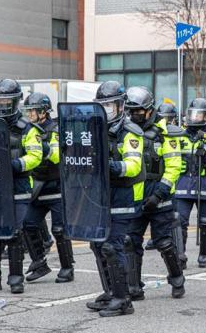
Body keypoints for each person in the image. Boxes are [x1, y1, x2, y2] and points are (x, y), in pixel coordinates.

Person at [0, 79, 43, 294]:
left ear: (16, 102)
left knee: (14, 232)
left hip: (19, 186)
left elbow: (35, 156)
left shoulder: (28, 129)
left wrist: (14, 165)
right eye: (0, 100)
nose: (3, 103)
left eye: (7, 100)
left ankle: (16, 278)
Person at [87, 81, 145, 317]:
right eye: (102, 106)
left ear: (120, 107)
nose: (106, 110)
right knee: (98, 244)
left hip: (122, 196)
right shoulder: (94, 128)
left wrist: (110, 166)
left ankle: (123, 300)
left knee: (113, 246)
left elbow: (133, 166)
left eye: (109, 106)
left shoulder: (130, 132)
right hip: (99, 196)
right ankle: (111, 291)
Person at [125, 86, 185, 301]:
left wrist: (159, 194)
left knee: (164, 242)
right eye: (130, 111)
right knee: (130, 241)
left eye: (138, 111)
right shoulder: (128, 132)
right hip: (135, 197)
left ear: (150, 110)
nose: (134, 115)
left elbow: (174, 167)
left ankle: (177, 279)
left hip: (159, 198)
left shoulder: (165, 134)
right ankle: (133, 287)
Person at [21, 92, 74, 284]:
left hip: (57, 186)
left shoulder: (55, 129)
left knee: (60, 230)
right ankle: (39, 262)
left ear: (43, 111)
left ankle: (67, 268)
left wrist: (45, 148)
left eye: (32, 111)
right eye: (27, 111)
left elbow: (59, 155)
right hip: (38, 186)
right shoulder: (28, 130)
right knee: (28, 224)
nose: (29, 114)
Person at [174, 98, 206, 268]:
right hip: (183, 183)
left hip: (205, 184)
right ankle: (179, 256)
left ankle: (205, 255)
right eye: (193, 114)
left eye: (200, 115)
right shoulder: (179, 135)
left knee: (205, 221)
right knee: (179, 220)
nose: (195, 118)